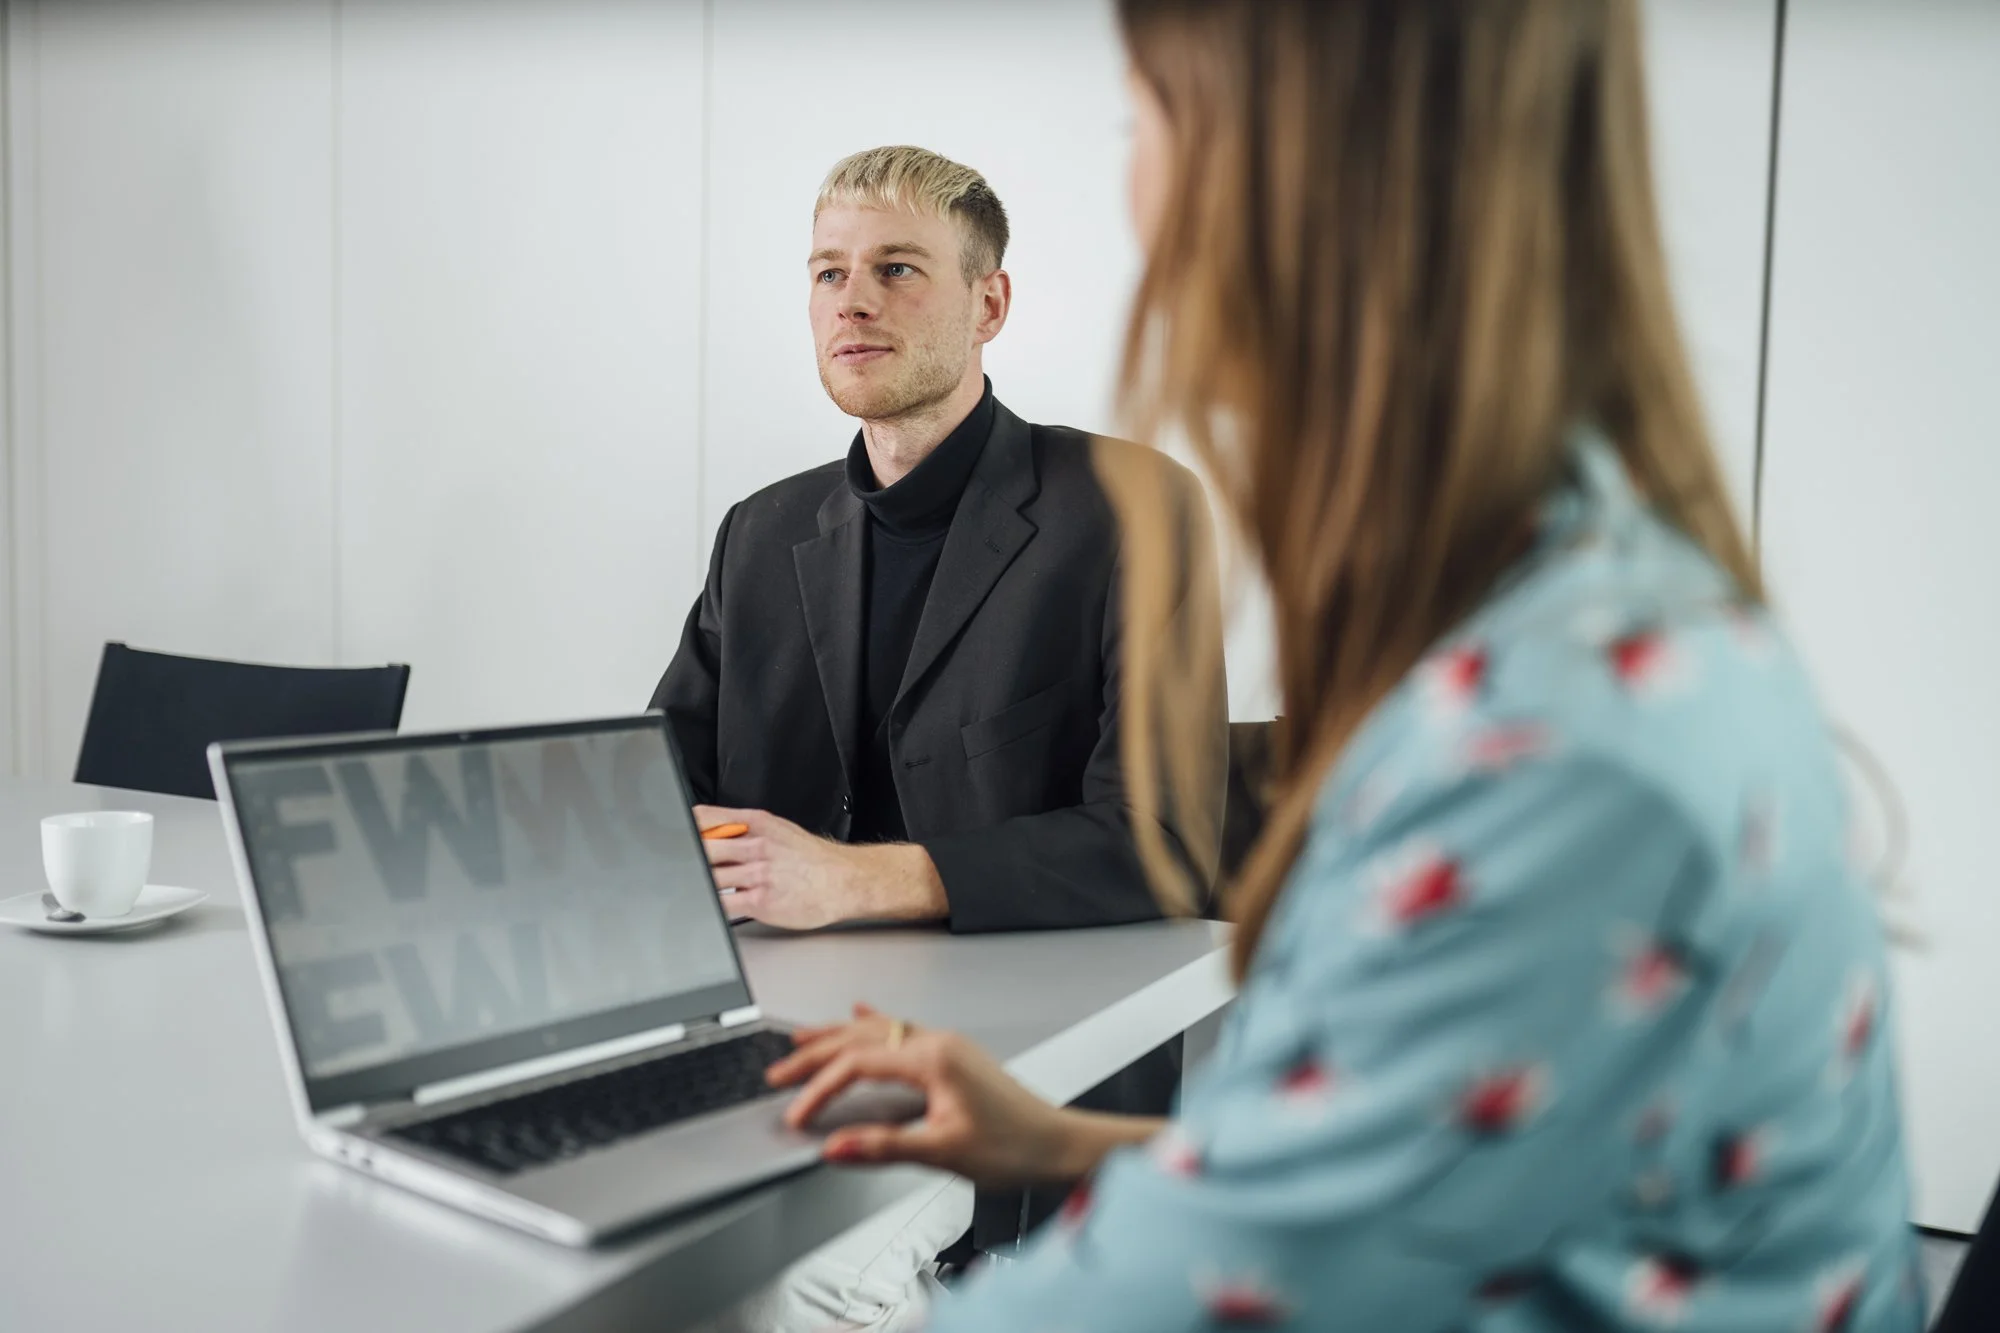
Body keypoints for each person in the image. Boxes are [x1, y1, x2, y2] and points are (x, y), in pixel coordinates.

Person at [766, 2, 1923, 1330]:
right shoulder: (1595, 611)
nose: (1135, 198)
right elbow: (1439, 1183)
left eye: (1142, 123)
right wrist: (1054, 1143)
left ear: (1290, 176)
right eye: (827, 267)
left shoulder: (1548, 751)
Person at [654, 145, 1223, 1328]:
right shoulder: (758, 536)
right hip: (779, 1041)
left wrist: (860, 878)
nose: (850, 301)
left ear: (988, 302)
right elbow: (652, 785)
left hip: (1016, 1069)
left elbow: (1162, 839)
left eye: (895, 268)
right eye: (826, 272)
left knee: (781, 1285)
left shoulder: (1130, 507)